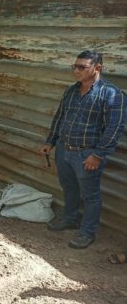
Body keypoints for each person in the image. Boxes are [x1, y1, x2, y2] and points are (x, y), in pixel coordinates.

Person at [41, 50, 125, 249]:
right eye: (74, 66)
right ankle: (70, 218)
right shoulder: (71, 91)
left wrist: (98, 155)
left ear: (98, 68)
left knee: (91, 195)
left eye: (82, 67)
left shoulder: (112, 94)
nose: (76, 71)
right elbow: (60, 117)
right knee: (69, 187)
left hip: (87, 155)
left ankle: (87, 232)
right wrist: (50, 141)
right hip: (64, 150)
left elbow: (115, 129)